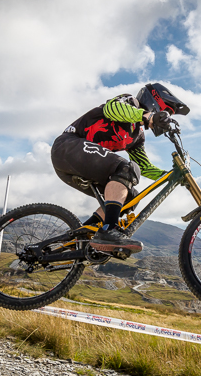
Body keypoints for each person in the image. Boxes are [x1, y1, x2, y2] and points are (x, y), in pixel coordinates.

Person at [51, 82, 190, 255]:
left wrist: (171, 175)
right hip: (67, 147)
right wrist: (147, 116)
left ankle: (82, 238)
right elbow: (112, 109)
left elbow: (145, 167)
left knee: (131, 197)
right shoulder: (129, 102)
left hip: (78, 167)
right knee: (126, 168)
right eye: (166, 112)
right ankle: (109, 229)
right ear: (156, 102)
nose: (166, 117)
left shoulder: (136, 136)